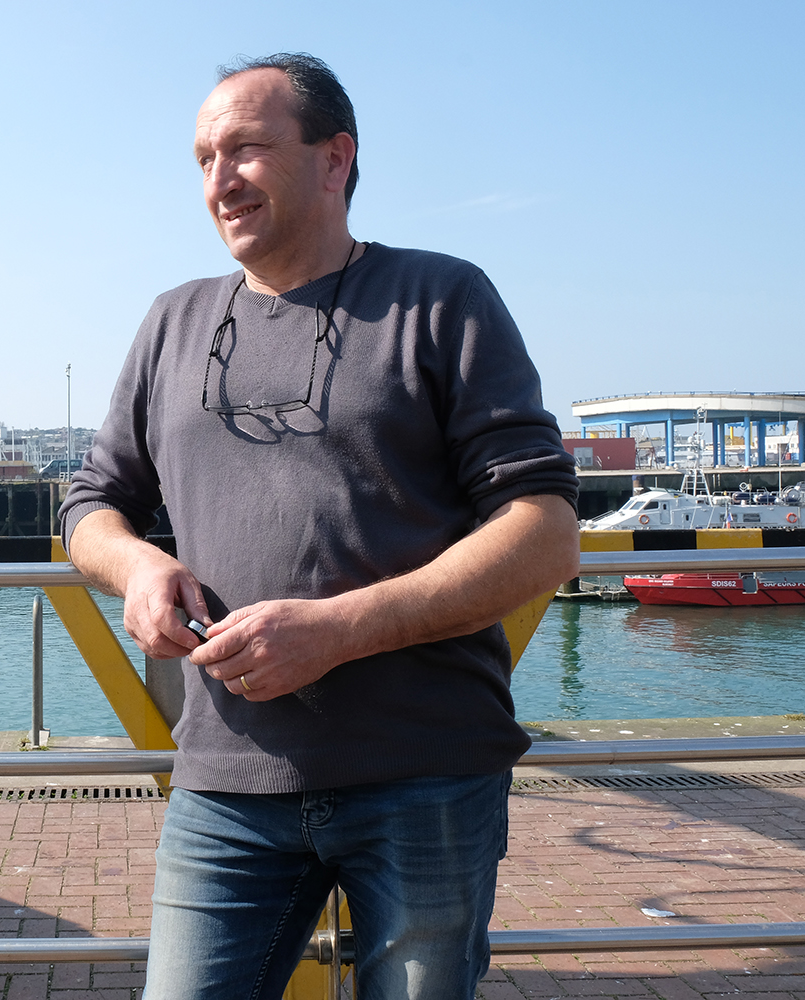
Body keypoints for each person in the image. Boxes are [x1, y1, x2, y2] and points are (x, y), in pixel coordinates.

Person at [59, 53, 581, 1000]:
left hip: (425, 772)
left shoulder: (443, 300)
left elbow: (543, 528)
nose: (219, 180)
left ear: (336, 158)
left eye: (247, 149)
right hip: (223, 781)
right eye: (204, 158)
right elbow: (92, 504)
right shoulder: (169, 323)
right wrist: (136, 568)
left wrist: (341, 629)